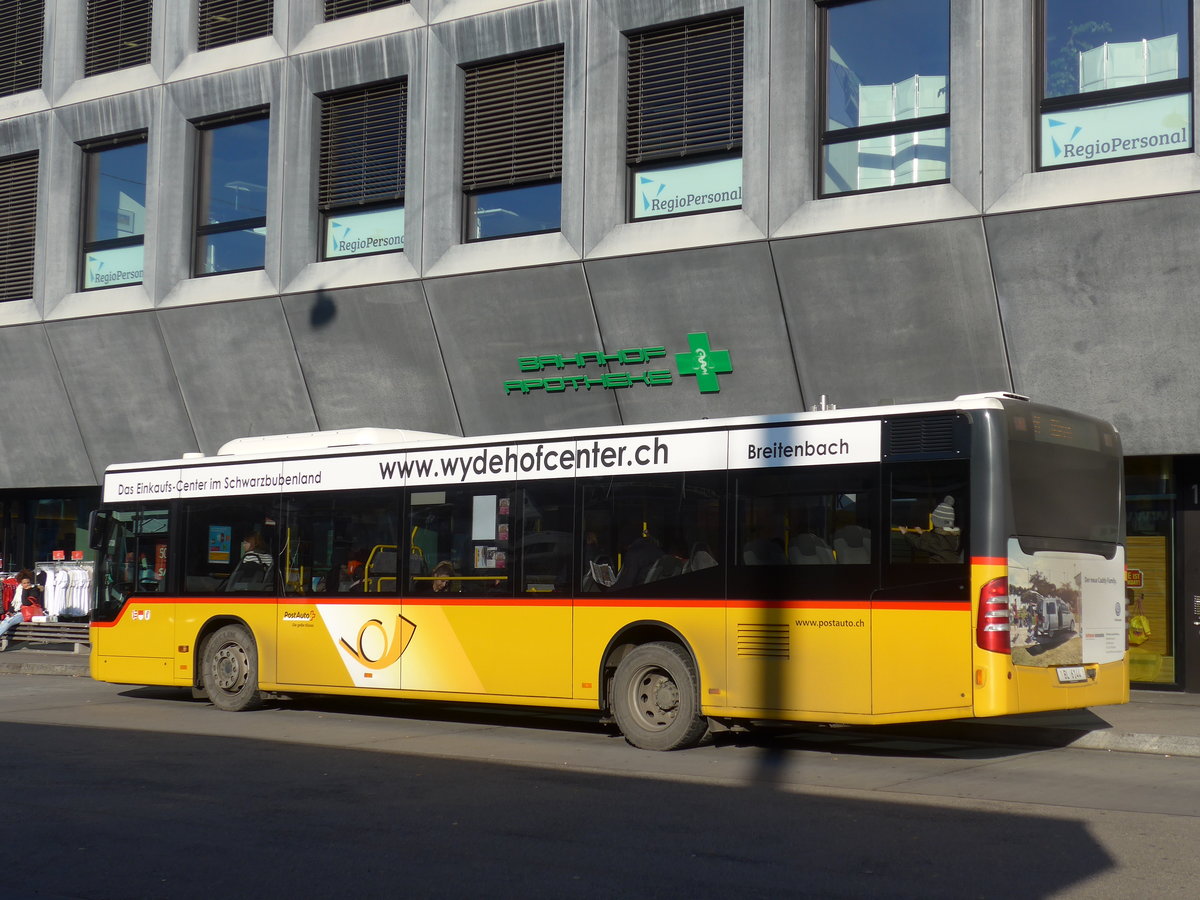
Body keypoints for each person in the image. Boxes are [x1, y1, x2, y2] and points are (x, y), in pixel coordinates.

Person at [898, 495, 961, 563]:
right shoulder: (954, 536)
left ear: (937, 521)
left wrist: (906, 533)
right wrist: (922, 532)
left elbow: (919, 543)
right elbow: (934, 540)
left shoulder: (938, 539)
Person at [0, 573, 45, 651]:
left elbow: (26, 603)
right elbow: (14, 603)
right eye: (24, 583)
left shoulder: (34, 590)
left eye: (28, 582)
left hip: (26, 613)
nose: (26, 584)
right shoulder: (18, 589)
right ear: (21, 583)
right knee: (5, 621)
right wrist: (10, 611)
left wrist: (25, 590)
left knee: (8, 622)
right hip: (18, 612)